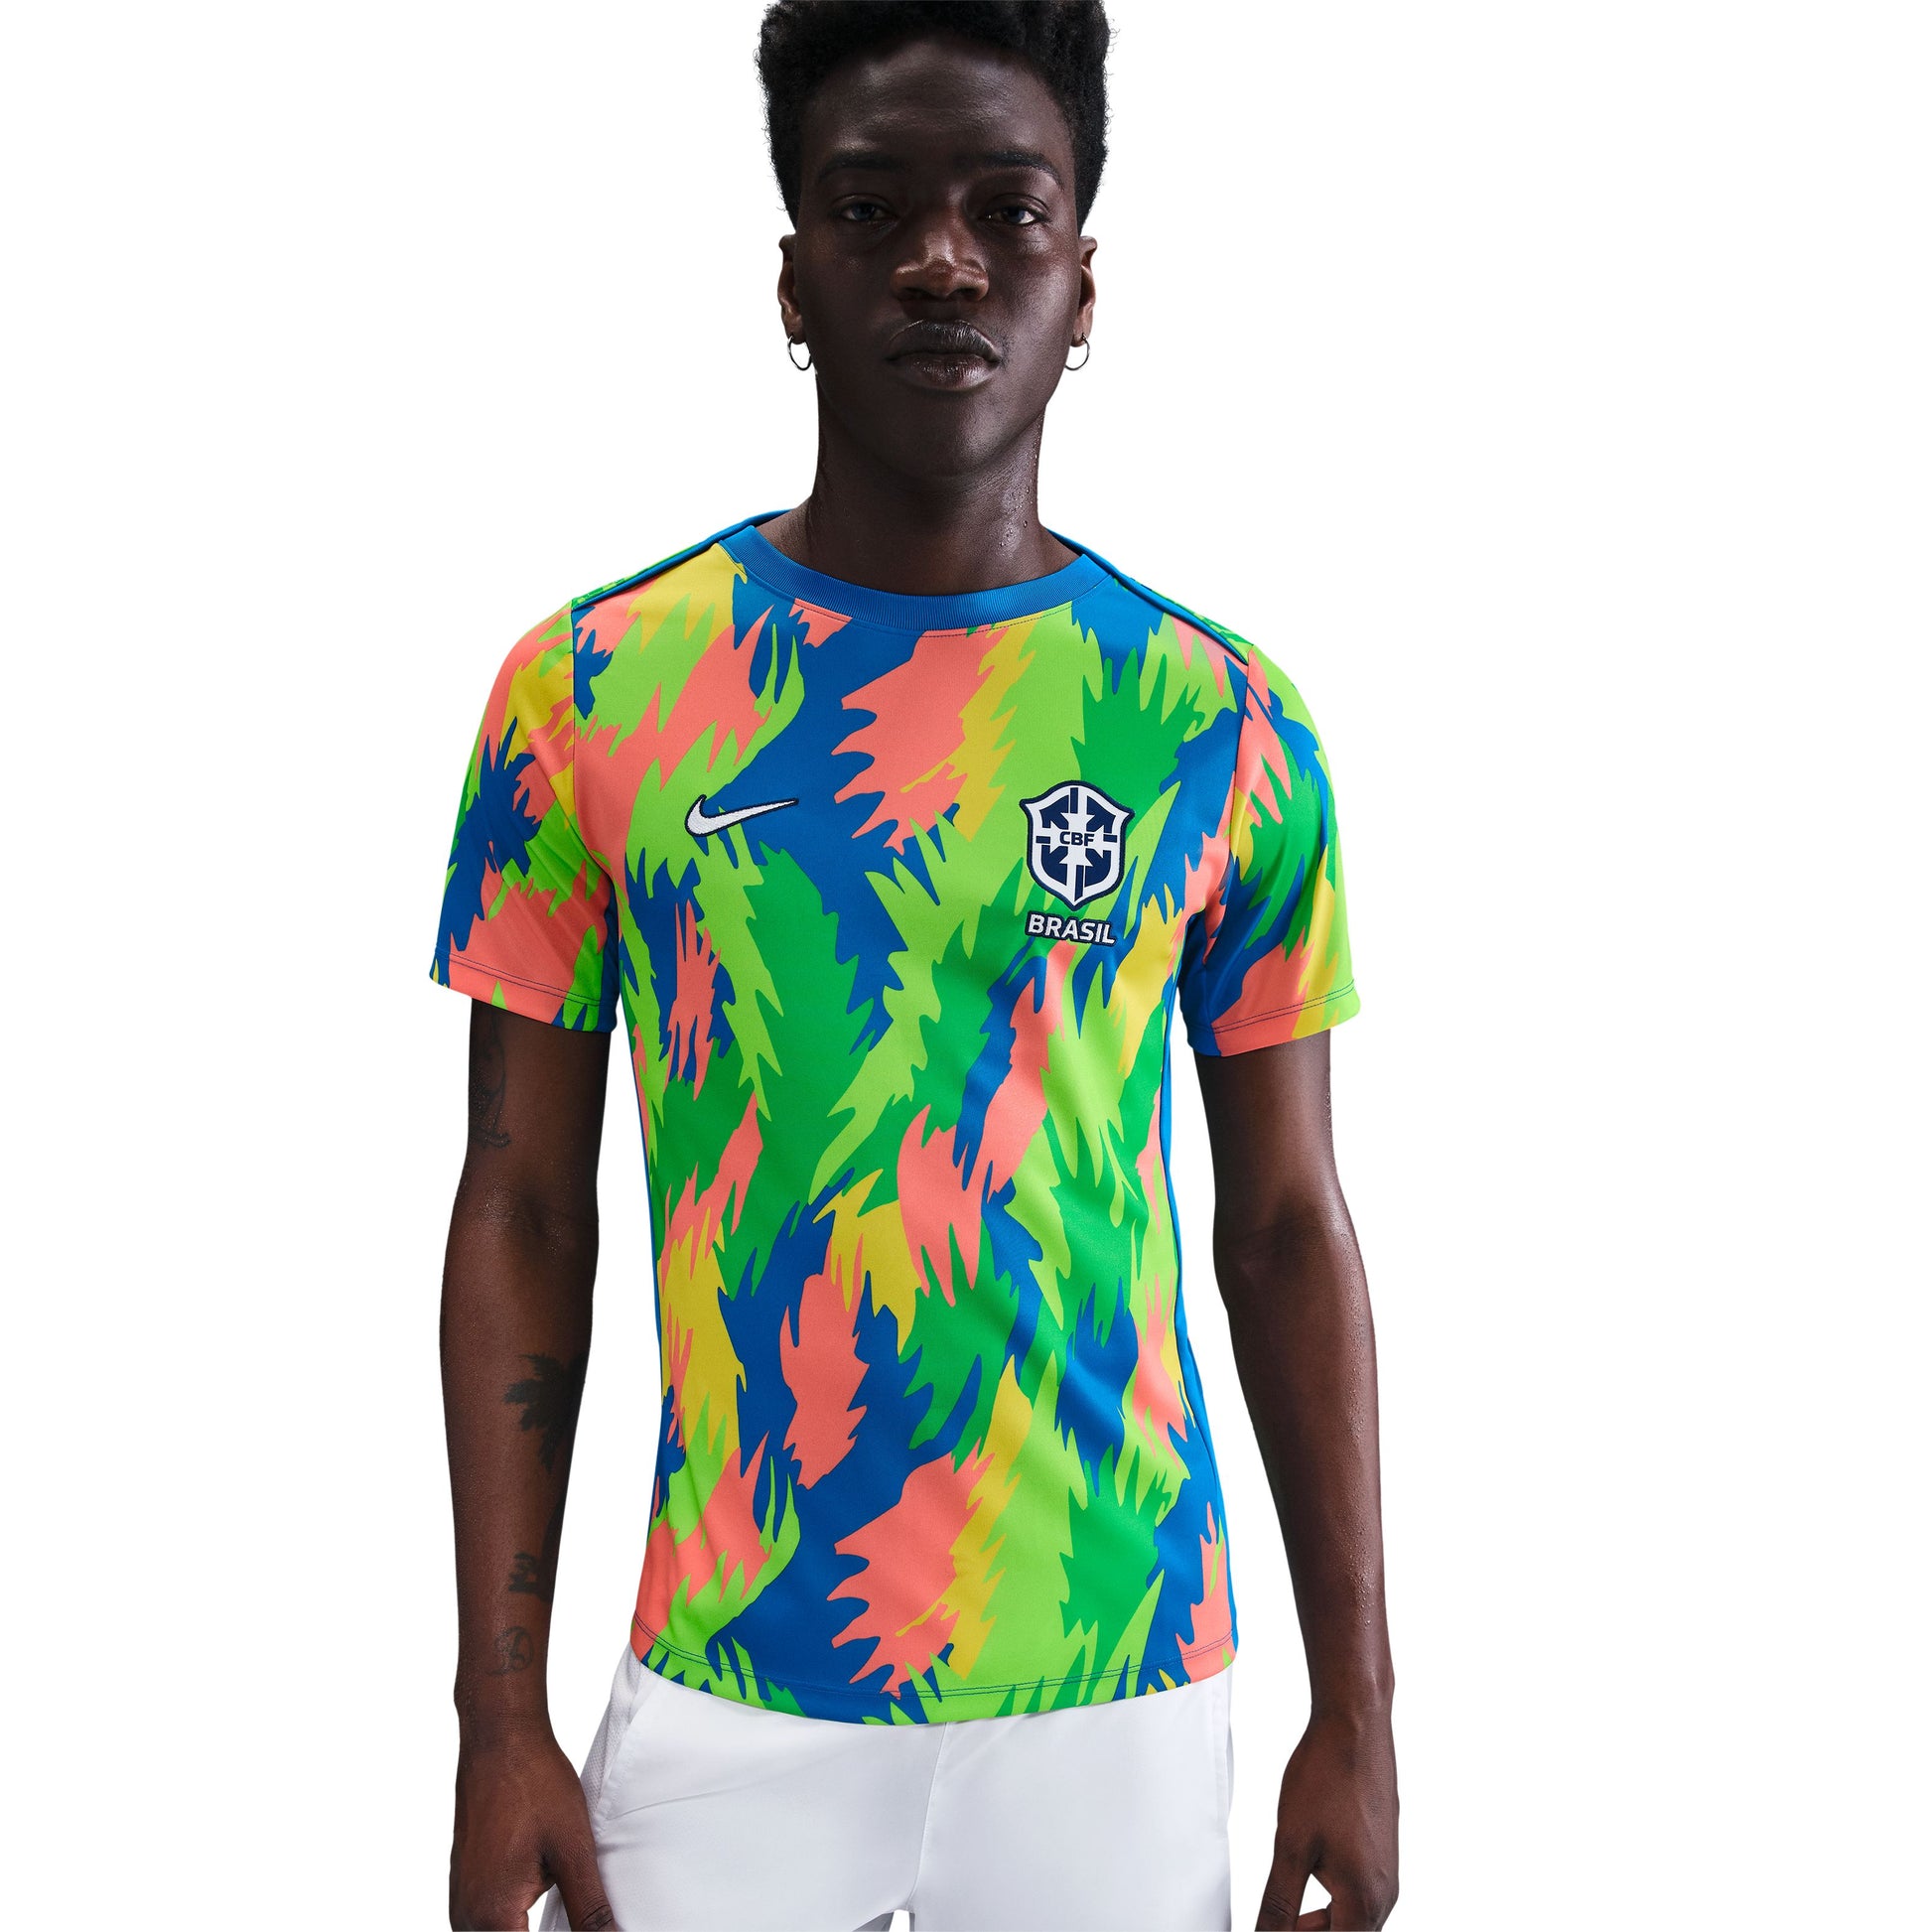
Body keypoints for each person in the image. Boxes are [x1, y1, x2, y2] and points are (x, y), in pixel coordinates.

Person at [431, 4, 1397, 1927]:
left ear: (1081, 282)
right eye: (871, 208)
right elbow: (523, 1203)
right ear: (793, 279)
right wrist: (495, 1716)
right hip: (730, 1677)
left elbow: (1286, 1223)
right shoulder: (594, 690)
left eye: (1005, 210)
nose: (942, 260)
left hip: (1119, 1680)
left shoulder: (1214, 720)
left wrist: (1356, 1710)